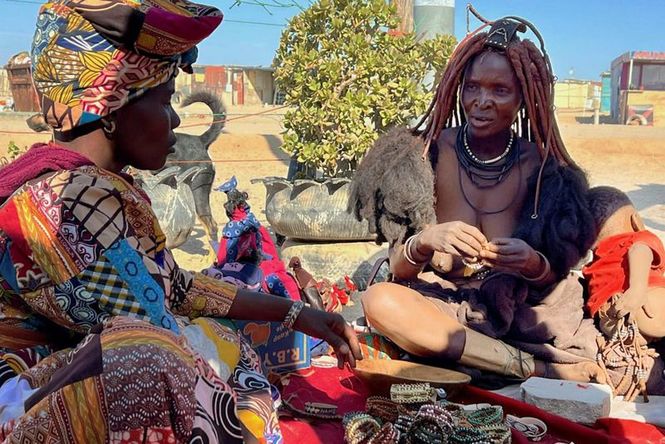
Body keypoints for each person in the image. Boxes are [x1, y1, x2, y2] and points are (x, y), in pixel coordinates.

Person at [0, 1, 360, 442]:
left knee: (209, 338)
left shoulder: (97, 187)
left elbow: (176, 287)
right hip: (18, 406)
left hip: (67, 378)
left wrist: (295, 312)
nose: (174, 120)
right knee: (154, 358)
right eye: (166, 100)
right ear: (112, 106)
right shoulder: (62, 202)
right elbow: (156, 327)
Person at [350, 17, 605, 384]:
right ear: (458, 89)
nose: (481, 102)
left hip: (519, 312)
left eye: (500, 91)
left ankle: (489, 358)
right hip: (441, 306)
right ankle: (537, 368)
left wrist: (532, 263)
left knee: (559, 311)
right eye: (472, 88)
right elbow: (400, 269)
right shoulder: (424, 155)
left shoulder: (544, 168)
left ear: (523, 99)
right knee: (380, 301)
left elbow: (553, 275)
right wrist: (425, 242)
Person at [583, 186, 665, 400]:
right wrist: (637, 290)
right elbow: (639, 250)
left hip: (611, 320)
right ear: (635, 219)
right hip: (646, 304)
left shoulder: (596, 262)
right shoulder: (639, 237)